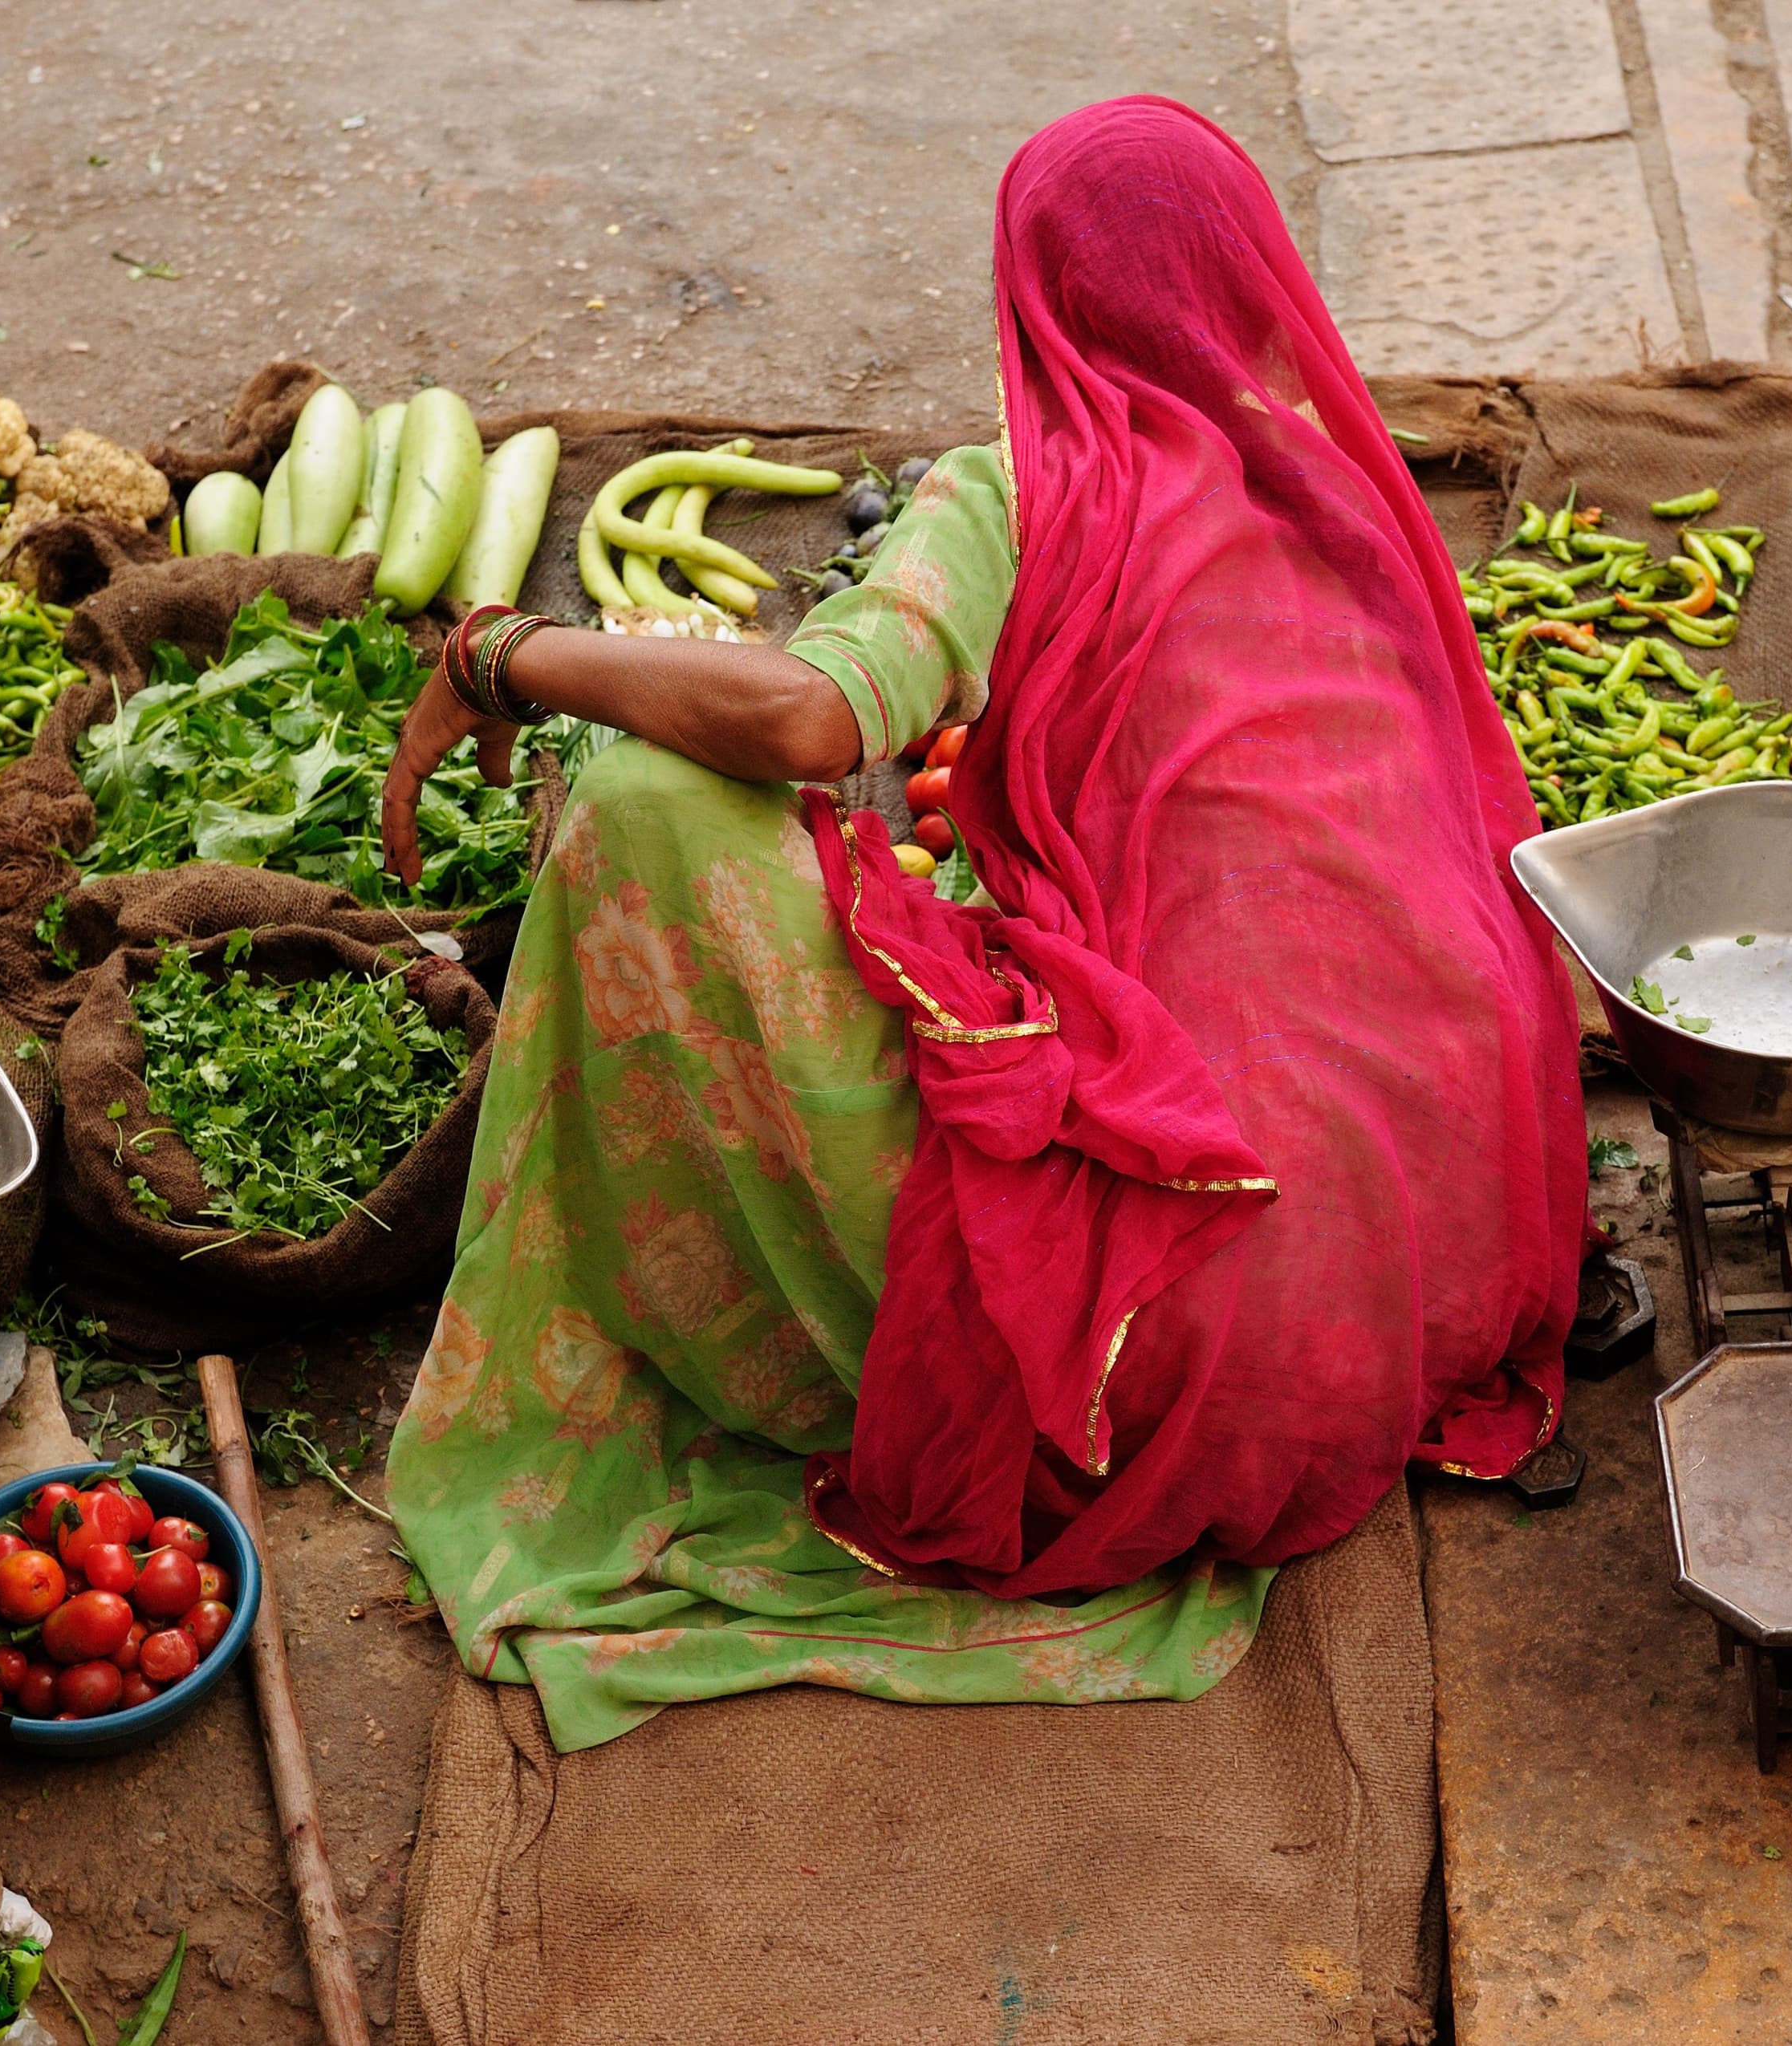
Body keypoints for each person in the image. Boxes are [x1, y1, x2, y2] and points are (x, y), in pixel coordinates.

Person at [379, 95, 1584, 1753]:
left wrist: (505, 655)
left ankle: (787, 1336)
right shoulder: (1352, 490)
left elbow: (816, 720)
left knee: (653, 802)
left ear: (1032, 295)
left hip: (1160, 1361)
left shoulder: (1036, 492)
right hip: (1394, 1302)